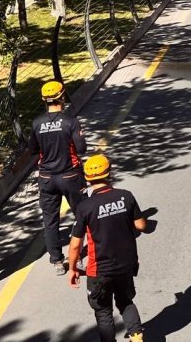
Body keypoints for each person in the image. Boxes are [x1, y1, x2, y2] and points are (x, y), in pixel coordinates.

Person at [68, 154, 146, 342]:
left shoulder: (85, 207)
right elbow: (141, 225)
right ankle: (137, 338)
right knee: (126, 302)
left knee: (103, 311)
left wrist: (72, 268)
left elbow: (76, 244)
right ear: (109, 173)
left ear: (87, 178)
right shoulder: (126, 196)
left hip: (99, 270)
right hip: (126, 264)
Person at [29, 80, 86, 275]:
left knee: (50, 220)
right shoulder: (71, 121)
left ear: (44, 100)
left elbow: (33, 150)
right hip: (70, 175)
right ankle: (76, 256)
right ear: (62, 97)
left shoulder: (36, 123)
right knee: (81, 215)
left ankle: (56, 261)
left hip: (46, 177)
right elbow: (81, 149)